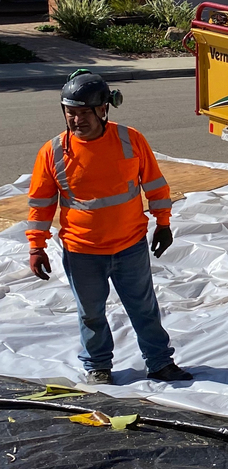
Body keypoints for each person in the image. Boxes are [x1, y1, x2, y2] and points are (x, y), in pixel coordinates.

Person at [26, 70, 192, 385]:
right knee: (90, 314)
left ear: (104, 109)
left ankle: (159, 363)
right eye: (70, 113)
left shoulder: (130, 140)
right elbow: (41, 203)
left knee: (144, 309)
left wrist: (164, 223)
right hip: (82, 252)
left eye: (84, 112)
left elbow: (156, 185)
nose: (76, 120)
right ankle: (98, 366)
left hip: (130, 246)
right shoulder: (54, 152)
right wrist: (36, 245)